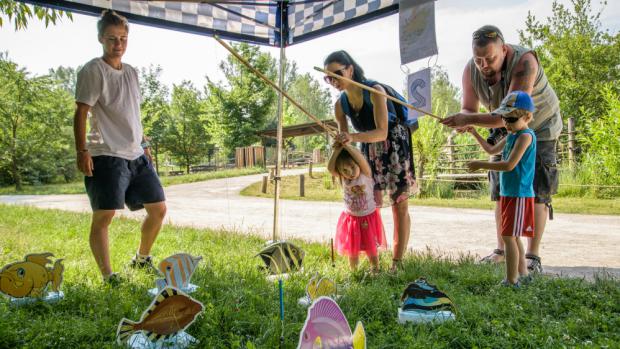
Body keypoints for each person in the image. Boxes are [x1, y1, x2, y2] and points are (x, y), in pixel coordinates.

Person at [441, 25, 561, 273]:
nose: (483, 65)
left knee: (537, 190)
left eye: (490, 59)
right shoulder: (470, 70)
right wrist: (463, 121)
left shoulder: (525, 62)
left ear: (504, 50)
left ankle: (532, 256)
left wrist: (470, 121)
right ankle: (502, 250)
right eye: (478, 59)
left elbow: (509, 116)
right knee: (501, 189)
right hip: (505, 128)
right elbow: (469, 109)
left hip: (539, 126)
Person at [74, 10, 167, 285]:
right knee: (104, 216)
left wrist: (145, 143)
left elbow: (132, 113)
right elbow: (80, 113)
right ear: (101, 38)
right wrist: (82, 151)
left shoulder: (132, 73)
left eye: (123, 38)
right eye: (113, 38)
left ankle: (141, 259)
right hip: (106, 154)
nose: (119, 44)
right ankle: (108, 276)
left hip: (136, 155)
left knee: (158, 209)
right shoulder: (93, 70)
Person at [323, 51, 416, 272]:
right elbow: (345, 145)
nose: (333, 81)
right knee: (371, 204)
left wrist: (351, 138)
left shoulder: (375, 91)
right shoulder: (340, 105)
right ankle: (373, 257)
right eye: (328, 77)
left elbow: (382, 132)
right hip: (367, 151)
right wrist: (340, 144)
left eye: (337, 73)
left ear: (350, 70)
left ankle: (397, 262)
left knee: (399, 203)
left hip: (394, 145)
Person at [465, 91, 537, 287]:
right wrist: (474, 133)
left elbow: (508, 165)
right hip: (508, 193)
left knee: (508, 237)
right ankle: (522, 275)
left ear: (527, 117)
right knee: (512, 236)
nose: (506, 123)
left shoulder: (525, 137)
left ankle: (511, 280)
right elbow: (491, 150)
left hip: (519, 194)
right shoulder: (513, 134)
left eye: (512, 118)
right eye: (504, 117)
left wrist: (481, 165)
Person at [327, 143, 387, 272]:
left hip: (368, 217)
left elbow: (360, 158)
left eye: (353, 167)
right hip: (351, 219)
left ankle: (375, 269)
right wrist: (337, 150)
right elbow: (330, 168)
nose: (350, 173)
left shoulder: (366, 174)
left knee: (371, 246)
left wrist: (346, 145)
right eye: (345, 171)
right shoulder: (344, 179)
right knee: (352, 248)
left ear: (358, 164)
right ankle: (354, 271)